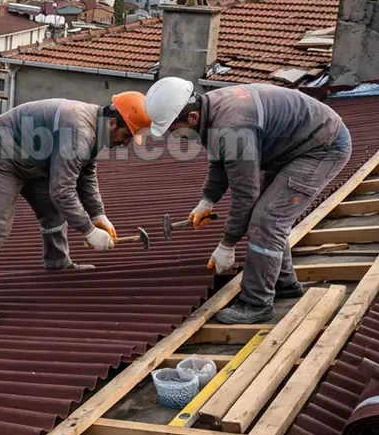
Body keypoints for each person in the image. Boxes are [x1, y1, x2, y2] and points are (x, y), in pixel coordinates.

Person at [144, 77, 353, 324]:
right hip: (294, 148)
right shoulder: (211, 107)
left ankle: (257, 303)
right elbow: (220, 161)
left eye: (173, 130)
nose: (176, 138)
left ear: (191, 119)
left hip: (322, 148)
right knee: (268, 213)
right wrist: (207, 201)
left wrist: (227, 245)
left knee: (266, 221)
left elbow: (245, 195)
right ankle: (283, 283)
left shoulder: (233, 126)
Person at [0, 93, 153, 326]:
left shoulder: (94, 128)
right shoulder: (79, 133)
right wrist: (89, 231)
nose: (127, 142)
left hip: (32, 159)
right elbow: (62, 190)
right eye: (127, 135)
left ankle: (57, 262)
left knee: (54, 212)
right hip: (0, 155)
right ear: (112, 122)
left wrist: (99, 215)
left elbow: (86, 176)